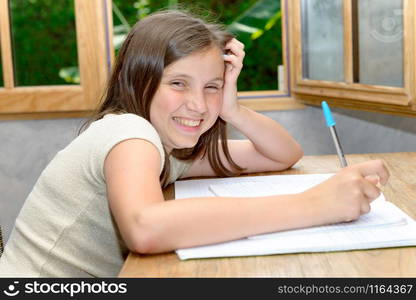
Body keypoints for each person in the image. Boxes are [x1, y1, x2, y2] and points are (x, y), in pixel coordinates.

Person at [0, 9, 389, 278]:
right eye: (178, 83)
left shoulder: (169, 147)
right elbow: (146, 228)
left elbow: (283, 154)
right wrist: (315, 204)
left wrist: (232, 109)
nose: (198, 105)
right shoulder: (128, 135)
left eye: (212, 87)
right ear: (138, 80)